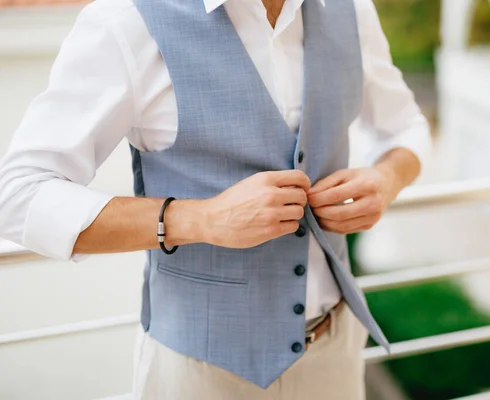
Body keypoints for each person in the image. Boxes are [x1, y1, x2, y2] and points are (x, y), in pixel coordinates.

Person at [0, 0, 431, 398]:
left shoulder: (350, 8)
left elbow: (405, 125)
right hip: (199, 372)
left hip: (335, 353)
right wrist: (198, 219)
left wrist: (386, 178)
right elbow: (19, 193)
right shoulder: (126, 19)